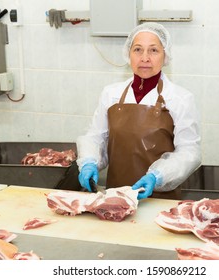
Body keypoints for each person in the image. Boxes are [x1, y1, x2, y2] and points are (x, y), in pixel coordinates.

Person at [76, 22, 201, 200]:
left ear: (165, 56)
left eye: (153, 50)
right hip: (115, 198)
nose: (145, 58)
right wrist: (89, 161)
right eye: (137, 50)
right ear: (129, 54)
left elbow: (189, 152)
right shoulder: (111, 94)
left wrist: (158, 176)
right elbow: (96, 137)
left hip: (160, 200)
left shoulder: (180, 99)